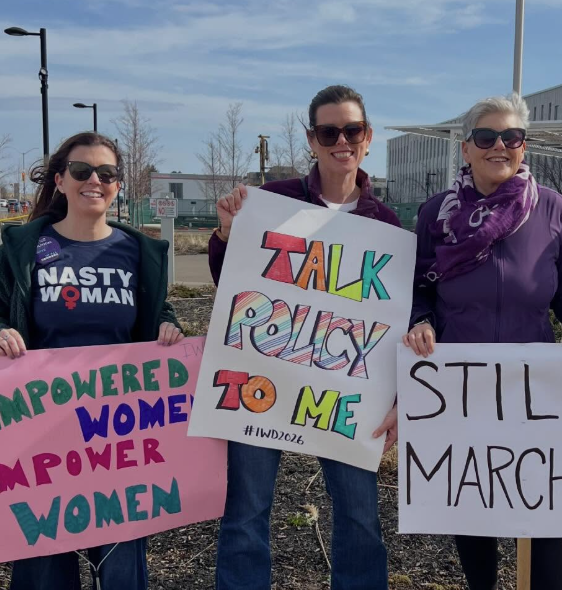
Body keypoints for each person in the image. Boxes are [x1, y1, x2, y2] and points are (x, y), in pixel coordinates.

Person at [403, 94, 562, 590]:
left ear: (522, 147)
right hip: (460, 386)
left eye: (510, 137)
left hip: (534, 390)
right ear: (466, 149)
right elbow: (419, 288)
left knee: (541, 515)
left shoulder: (551, 209)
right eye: (486, 137)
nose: (499, 146)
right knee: (471, 507)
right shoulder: (435, 215)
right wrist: (421, 320)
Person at [0, 131, 184, 590]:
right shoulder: (22, 251)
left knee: (122, 564)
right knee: (44, 564)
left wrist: (168, 326)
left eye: (107, 173)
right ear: (61, 180)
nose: (95, 181)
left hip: (120, 429)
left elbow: (155, 310)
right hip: (42, 427)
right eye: (82, 171)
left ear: (118, 184)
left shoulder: (138, 252)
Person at [208, 85, 400, 590]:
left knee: (359, 514)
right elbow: (231, 280)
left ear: (368, 137)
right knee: (247, 510)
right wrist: (228, 233)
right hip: (262, 377)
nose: (342, 140)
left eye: (352, 130)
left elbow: (395, 316)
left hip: (345, 392)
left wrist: (396, 389)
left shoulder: (385, 224)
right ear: (312, 139)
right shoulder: (274, 203)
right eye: (329, 131)